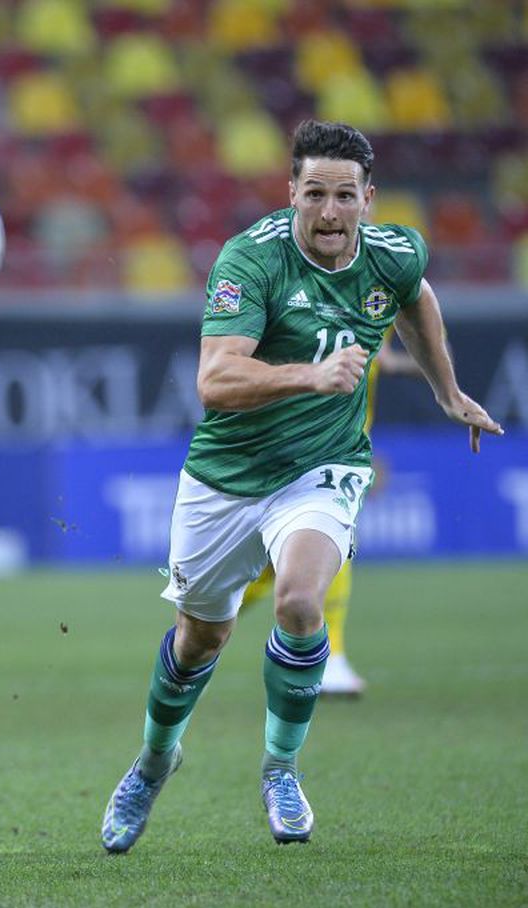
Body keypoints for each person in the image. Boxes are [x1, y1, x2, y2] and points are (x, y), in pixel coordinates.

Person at [101, 120, 502, 853]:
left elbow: (417, 297)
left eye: (343, 196)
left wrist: (447, 391)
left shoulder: (395, 252)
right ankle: (154, 762)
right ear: (291, 192)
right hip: (227, 475)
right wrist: (310, 376)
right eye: (313, 193)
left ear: (367, 200)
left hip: (324, 467)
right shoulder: (251, 261)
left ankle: (280, 770)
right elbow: (215, 380)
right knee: (200, 638)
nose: (327, 212)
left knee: (299, 598)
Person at [239, 330, 422, 696]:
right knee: (304, 549)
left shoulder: (382, 290)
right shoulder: (297, 294)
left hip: (344, 444)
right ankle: (203, 618)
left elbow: (394, 356)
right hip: (299, 441)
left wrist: (420, 364)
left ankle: (330, 657)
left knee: (313, 549)